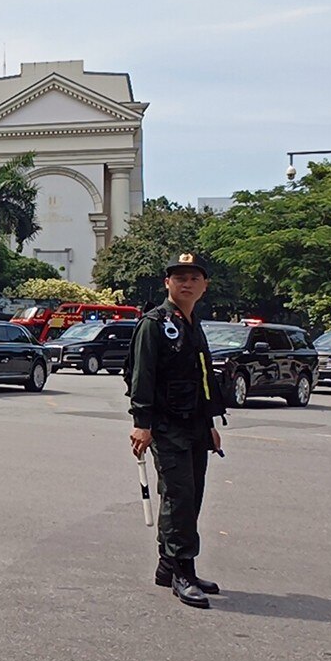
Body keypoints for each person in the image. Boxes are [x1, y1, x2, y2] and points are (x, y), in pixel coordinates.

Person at [127, 252, 227, 610]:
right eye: (179, 277)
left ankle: (167, 566)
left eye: (194, 278)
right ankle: (183, 571)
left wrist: (211, 423)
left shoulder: (192, 322)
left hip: (196, 423)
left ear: (204, 285)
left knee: (193, 494)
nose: (187, 283)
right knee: (179, 496)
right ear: (167, 283)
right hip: (167, 425)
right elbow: (142, 376)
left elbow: (202, 378)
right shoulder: (155, 323)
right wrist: (142, 423)